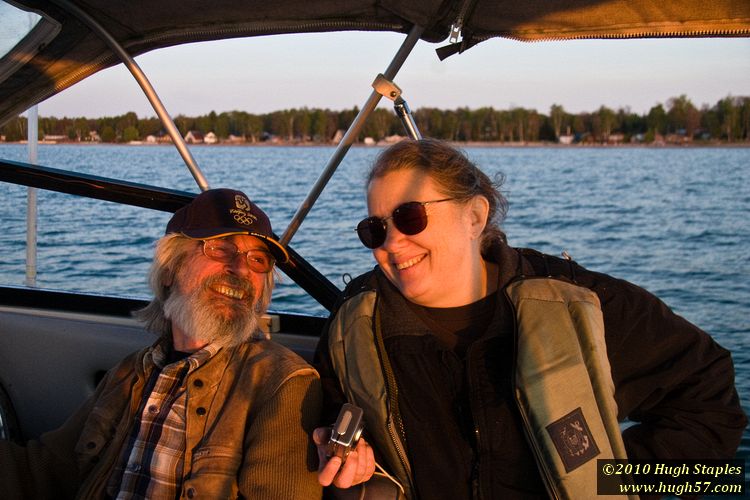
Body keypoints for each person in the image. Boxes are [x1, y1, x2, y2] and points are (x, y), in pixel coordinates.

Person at [314, 139, 747, 499]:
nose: (391, 241)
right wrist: (341, 454)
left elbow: (712, 409)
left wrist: (606, 478)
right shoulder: (355, 329)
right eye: (374, 228)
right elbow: (333, 427)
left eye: (411, 217)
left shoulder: (579, 304)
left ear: (475, 216)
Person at [0, 188, 322, 499]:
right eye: (221, 249)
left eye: (257, 259)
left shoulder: (280, 384)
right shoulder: (129, 374)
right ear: (171, 268)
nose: (240, 268)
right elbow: (41, 472)